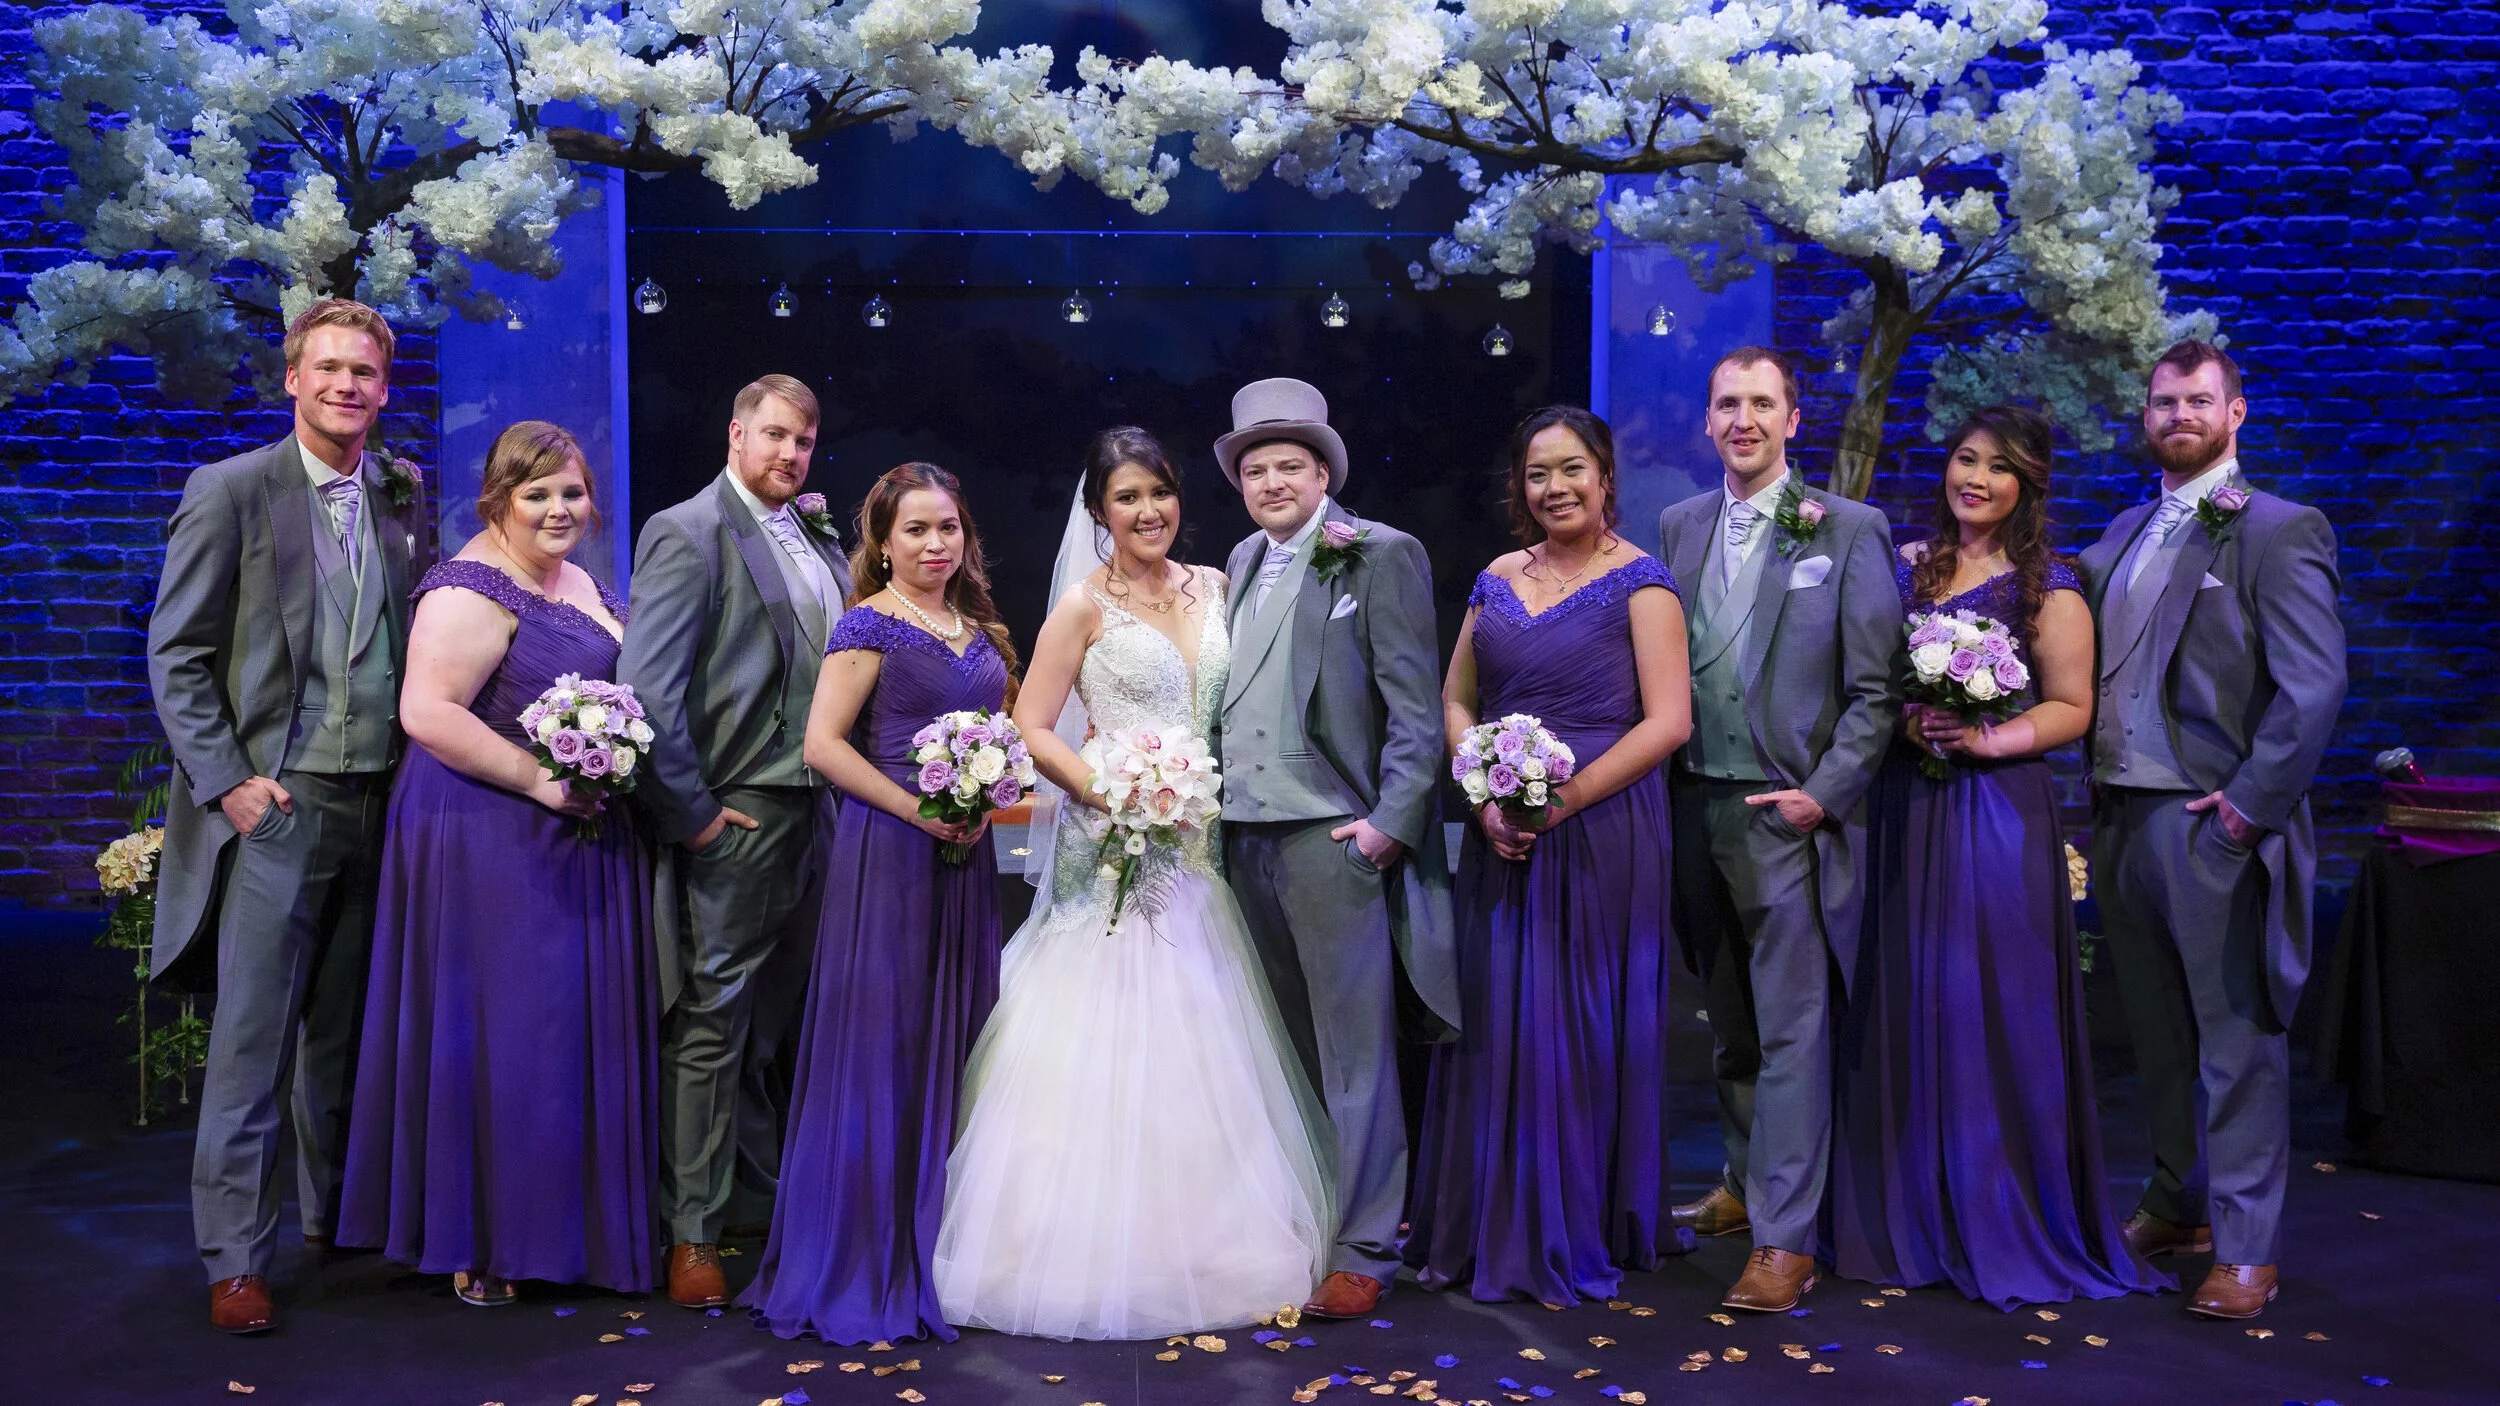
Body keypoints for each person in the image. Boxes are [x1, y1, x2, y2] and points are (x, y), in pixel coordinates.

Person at [932, 427, 1332, 1341]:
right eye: (1126, 499)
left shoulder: (1220, 586)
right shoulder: (1082, 606)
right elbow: (1033, 724)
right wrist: (1108, 791)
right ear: (1099, 512)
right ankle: (1068, 1243)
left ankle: (1204, 1239)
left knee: (1206, 1015)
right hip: (1111, 845)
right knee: (1103, 1019)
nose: (1147, 511)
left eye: (1159, 492)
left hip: (1203, 846)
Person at [1827, 405, 2166, 1309]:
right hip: (1902, 804)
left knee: (1985, 1000)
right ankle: (1903, 1209)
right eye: (1965, 459)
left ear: (2029, 485)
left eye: (1998, 467)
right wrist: (1907, 717)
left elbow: (2071, 708)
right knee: (1902, 996)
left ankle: (1996, 1207)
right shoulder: (1905, 568)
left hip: (1990, 812)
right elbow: (1866, 678)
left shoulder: (2048, 586)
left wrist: (1984, 739)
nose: (1974, 478)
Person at [146, 299, 427, 1334]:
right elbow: (175, 652)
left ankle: (335, 1217)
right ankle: (235, 1256)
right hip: (278, 802)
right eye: (328, 369)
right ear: (292, 381)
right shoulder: (230, 491)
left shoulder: (402, 491)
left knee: (343, 1037)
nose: (347, 385)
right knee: (253, 1039)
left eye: (364, 371)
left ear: (383, 389)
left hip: (376, 799)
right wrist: (229, 782)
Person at [336, 421, 655, 1305]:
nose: (561, 509)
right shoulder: (468, 586)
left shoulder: (580, 578)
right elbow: (428, 711)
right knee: (506, 1032)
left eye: (573, 492)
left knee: (557, 1033)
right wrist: (542, 782)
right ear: (498, 501)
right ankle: (485, 1237)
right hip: (487, 830)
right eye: (538, 494)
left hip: (570, 827)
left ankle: (563, 1231)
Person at [2076, 342, 2344, 1319]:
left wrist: (2245, 806)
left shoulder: (2276, 530)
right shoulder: (2121, 530)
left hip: (2208, 823)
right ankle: (2174, 1201)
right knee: (2153, 1035)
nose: (2176, 412)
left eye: (2197, 399)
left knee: (2236, 1041)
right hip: (2118, 813)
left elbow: (2313, 686)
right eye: (2161, 400)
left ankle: (2244, 1246)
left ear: (2235, 412)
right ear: (2145, 416)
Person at [1407, 406, 1696, 1306]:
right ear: (1521, 488)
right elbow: (1455, 698)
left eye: (1573, 470)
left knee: (1580, 1025)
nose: (1556, 488)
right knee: (1495, 1020)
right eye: (1538, 474)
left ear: (1606, 477)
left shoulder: (1643, 585)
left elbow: (1670, 722)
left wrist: (1559, 799)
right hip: (1502, 832)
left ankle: (1576, 1221)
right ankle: (1487, 1217)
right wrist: (1485, 785)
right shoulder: (1496, 577)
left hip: (1602, 829)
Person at [743, 463, 1010, 1343]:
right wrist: (918, 810)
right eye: (916, 532)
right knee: (884, 1041)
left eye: (948, 529)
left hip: (962, 861)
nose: (936, 545)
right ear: (883, 543)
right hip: (890, 852)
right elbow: (821, 746)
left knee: (962, 1030)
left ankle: (941, 1244)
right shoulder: (869, 625)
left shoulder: (979, 630)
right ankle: (865, 1251)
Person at [1657, 346, 1900, 1313]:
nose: (1744, 419)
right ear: (1707, 422)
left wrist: (1824, 795)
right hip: (1692, 805)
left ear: (1794, 419)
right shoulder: (1676, 527)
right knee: (1729, 1018)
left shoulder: (1848, 530)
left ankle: (1786, 1239)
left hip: (1786, 813)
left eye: (1763, 403)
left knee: (1795, 1027)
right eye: (1728, 403)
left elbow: (1877, 691)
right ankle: (1746, 1181)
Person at [1213, 379, 1459, 1319]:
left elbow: (1412, 708)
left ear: (1323, 473)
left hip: (1330, 836)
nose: (1272, 482)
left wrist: (1388, 827)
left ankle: (1365, 1247)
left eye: (1290, 466)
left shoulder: (1378, 555)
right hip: (1244, 838)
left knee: (1356, 1052)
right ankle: (1307, 1223)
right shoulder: (1240, 560)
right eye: (1257, 469)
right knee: (1283, 1047)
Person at [619, 375, 855, 1308]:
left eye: (803, 440)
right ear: (735, 432)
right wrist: (697, 816)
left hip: (823, 810)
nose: (790, 454)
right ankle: (693, 1235)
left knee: (780, 1022)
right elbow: (649, 692)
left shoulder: (819, 536)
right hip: (741, 812)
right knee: (713, 1022)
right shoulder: (687, 530)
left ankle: (755, 1197)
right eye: (774, 436)